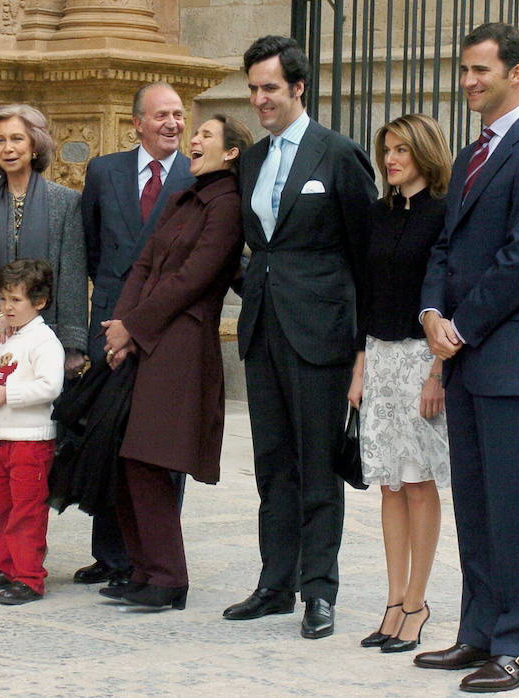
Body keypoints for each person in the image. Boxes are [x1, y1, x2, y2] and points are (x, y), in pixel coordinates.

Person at [415, 23, 519, 693]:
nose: (469, 81)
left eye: (481, 70)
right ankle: (480, 632)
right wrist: (429, 314)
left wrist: (460, 327)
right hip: (468, 356)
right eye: (464, 70)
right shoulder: (472, 152)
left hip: (511, 362)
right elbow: (445, 245)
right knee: (476, 508)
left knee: (515, 511)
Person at [223, 36, 377, 638]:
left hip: (322, 337)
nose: (259, 98)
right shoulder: (252, 162)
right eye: (253, 88)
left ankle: (319, 590)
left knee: (318, 465)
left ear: (298, 88)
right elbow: (254, 249)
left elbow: (366, 258)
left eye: (269, 88)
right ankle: (274, 583)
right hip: (263, 331)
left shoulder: (337, 155)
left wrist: (364, 348)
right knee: (272, 465)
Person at [100, 114, 253, 610]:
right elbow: (144, 263)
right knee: (127, 457)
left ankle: (168, 576)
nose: (195, 139)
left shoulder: (227, 205)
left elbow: (194, 278)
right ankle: (144, 570)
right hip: (145, 337)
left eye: (206, 135)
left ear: (230, 152)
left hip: (182, 343)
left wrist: (133, 326)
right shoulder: (185, 196)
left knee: (149, 458)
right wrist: (122, 326)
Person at [0, 104, 87, 574]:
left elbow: (70, 276)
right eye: (0, 141)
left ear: (36, 145)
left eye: (17, 139)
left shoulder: (66, 204)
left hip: (41, 348)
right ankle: (0, 543)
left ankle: (26, 546)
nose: (8, 148)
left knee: (30, 453)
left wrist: (73, 345)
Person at [76, 81, 195, 589]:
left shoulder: (197, 175)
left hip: (165, 330)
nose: (173, 123)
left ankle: (153, 557)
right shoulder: (104, 171)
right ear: (137, 124)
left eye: (178, 114)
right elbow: (92, 246)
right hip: (109, 322)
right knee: (109, 435)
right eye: (162, 115)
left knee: (160, 444)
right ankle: (111, 555)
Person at [346, 114, 452, 653]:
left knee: (417, 480)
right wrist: (361, 365)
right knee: (388, 480)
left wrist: (437, 371)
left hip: (420, 358)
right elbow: (366, 294)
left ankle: (417, 602)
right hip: (382, 357)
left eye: (402, 151)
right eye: (387, 150)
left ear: (425, 155)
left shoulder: (443, 214)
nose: (391, 159)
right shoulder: (376, 214)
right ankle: (392, 601)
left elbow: (446, 296)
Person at [0, 259, 65, 605]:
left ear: (38, 302)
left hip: (31, 439)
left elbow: (50, 386)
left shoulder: (44, 341)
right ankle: (8, 564)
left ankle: (29, 577)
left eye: (15, 300)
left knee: (27, 510)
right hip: (1, 436)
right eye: (3, 299)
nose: (6, 308)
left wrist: (7, 395)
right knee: (1, 506)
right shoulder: (6, 338)